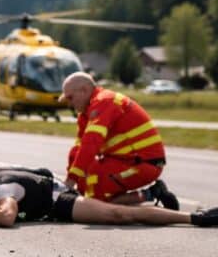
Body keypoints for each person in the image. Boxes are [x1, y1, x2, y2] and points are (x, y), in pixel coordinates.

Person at [0, 152, 218, 228]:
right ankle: (149, 195)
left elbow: (6, 217)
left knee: (119, 215)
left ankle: (195, 218)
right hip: (53, 189)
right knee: (118, 209)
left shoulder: (0, 190)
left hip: (60, 201)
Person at [59, 72, 180, 210]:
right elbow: (78, 150)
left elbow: (91, 143)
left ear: (84, 90)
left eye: (70, 97)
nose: (69, 103)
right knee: (87, 191)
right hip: (123, 161)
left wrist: (70, 181)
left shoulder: (104, 101)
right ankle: (119, 198)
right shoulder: (86, 114)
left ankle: (150, 194)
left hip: (144, 165)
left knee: (94, 204)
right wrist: (72, 187)